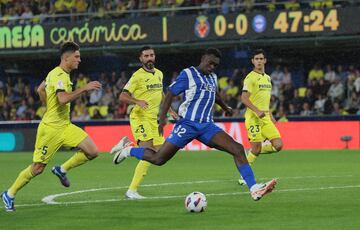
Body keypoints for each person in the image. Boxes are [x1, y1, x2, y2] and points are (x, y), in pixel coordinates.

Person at [111, 48, 277, 201]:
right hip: (188, 125)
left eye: (215, 65)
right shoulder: (188, 74)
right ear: (203, 59)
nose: (212, 67)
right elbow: (170, 93)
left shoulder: (212, 77)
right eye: (210, 63)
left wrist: (225, 107)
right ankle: (129, 151)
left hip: (207, 126)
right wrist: (163, 118)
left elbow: (215, 94)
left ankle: (254, 188)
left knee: (238, 149)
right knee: (158, 158)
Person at [1, 41, 102, 212]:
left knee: (92, 151)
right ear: (66, 58)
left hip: (65, 126)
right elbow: (62, 99)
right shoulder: (59, 76)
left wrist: (49, 106)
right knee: (38, 168)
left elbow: (40, 89)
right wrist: (84, 89)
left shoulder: (57, 74)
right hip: (51, 130)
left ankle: (61, 170)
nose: (80, 60)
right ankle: (9, 194)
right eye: (76, 57)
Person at [111, 46, 176, 199]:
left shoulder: (159, 74)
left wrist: (169, 110)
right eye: (146, 56)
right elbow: (122, 96)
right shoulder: (137, 76)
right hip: (140, 117)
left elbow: (160, 93)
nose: (149, 58)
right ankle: (131, 190)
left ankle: (128, 145)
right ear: (141, 59)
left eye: (151, 55)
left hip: (154, 120)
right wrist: (136, 101)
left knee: (159, 155)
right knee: (148, 153)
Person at [238, 49, 283, 185]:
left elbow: (265, 98)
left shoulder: (268, 78)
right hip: (253, 117)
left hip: (265, 117)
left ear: (265, 61)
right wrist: (257, 111)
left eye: (261, 58)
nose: (259, 61)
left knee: (278, 145)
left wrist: (271, 114)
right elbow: (244, 98)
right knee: (256, 148)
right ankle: (243, 177)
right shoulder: (250, 77)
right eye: (256, 59)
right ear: (253, 61)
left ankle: (252, 151)